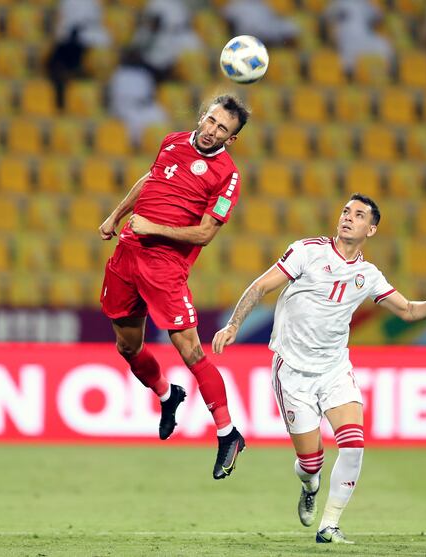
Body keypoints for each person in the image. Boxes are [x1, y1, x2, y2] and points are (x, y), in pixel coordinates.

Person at [212, 194, 426, 543]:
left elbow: (407, 311)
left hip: (334, 369)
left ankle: (330, 526)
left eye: (358, 215)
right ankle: (310, 487)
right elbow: (261, 286)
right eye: (346, 211)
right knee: (311, 466)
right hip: (293, 371)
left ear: (370, 230)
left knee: (354, 444)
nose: (348, 218)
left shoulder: (368, 275)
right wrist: (234, 324)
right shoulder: (307, 251)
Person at [99, 94, 250, 480]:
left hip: (165, 267)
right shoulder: (172, 141)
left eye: (223, 130)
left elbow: (204, 234)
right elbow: (150, 180)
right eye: (212, 121)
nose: (213, 131)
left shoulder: (227, 175)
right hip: (127, 255)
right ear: (203, 117)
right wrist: (118, 214)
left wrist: (153, 228)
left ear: (230, 139)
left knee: (190, 349)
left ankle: (228, 433)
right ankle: (168, 396)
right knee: (127, 346)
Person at [324, 0, 393, 72]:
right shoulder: (338, 3)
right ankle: (349, 76)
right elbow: (326, 18)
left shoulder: (364, 3)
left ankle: (387, 74)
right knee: (347, 64)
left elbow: (379, 16)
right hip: (347, 41)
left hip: (364, 38)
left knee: (384, 44)